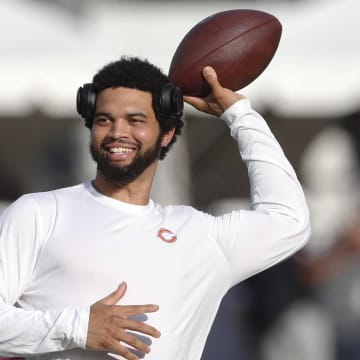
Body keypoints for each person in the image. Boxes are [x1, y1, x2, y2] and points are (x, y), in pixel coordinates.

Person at [0, 56, 310, 360]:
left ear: (167, 134)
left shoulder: (200, 236)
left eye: (135, 120)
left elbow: (289, 219)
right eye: (104, 119)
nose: (118, 132)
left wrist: (239, 115)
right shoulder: (39, 213)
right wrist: (79, 327)